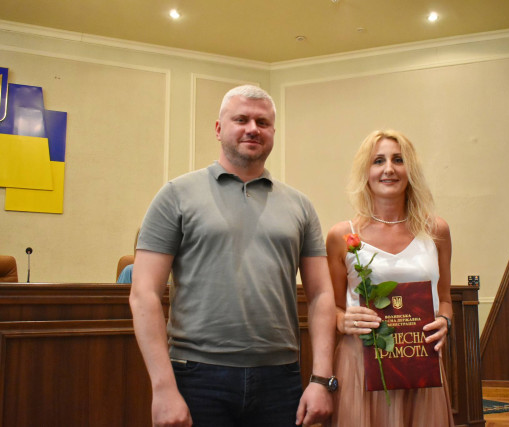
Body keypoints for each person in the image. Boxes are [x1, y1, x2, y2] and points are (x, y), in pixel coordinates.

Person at [129, 85, 337, 427]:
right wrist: (163, 388)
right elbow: (143, 294)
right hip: (196, 376)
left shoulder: (300, 206)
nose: (252, 128)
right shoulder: (175, 195)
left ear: (273, 132)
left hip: (280, 377)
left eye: (262, 122)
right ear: (218, 128)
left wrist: (321, 379)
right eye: (241, 119)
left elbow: (321, 295)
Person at [326, 129, 455, 426]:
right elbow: (331, 307)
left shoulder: (436, 230)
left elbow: (446, 300)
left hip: (419, 360)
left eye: (398, 160)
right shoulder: (341, 235)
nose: (389, 169)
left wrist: (445, 322)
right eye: (378, 161)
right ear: (366, 172)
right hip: (361, 363)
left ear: (411, 170)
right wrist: (342, 321)